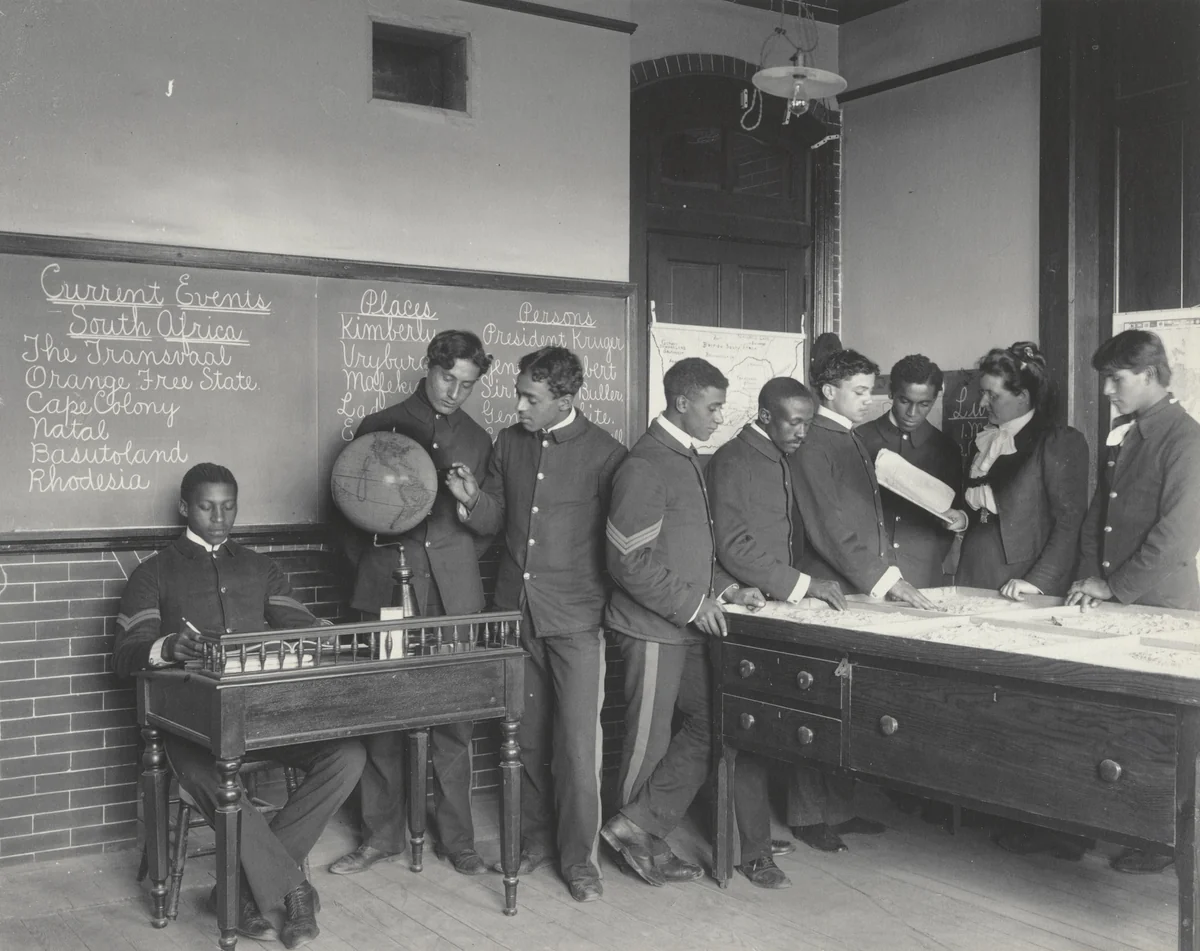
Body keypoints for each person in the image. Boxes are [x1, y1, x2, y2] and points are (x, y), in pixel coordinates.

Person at [113, 464, 365, 949]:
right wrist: (166, 647)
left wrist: (324, 636)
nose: (219, 516)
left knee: (347, 754)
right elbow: (125, 654)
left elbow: (297, 623)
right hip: (190, 729)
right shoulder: (155, 572)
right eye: (207, 506)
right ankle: (289, 890)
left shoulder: (258, 567)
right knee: (216, 778)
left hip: (262, 718)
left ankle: (239, 890)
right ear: (185, 507)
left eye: (228, 505)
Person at [446, 346, 626, 902]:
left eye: (531, 398)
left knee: (576, 748)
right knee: (522, 737)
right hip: (515, 615)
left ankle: (579, 861)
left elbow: (616, 547)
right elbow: (497, 519)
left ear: (565, 400)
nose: (519, 405)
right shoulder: (508, 442)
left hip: (575, 621)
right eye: (518, 393)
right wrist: (473, 500)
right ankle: (532, 839)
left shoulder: (607, 455)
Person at [330, 330, 494, 877]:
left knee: (455, 718)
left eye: (467, 385)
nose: (454, 392)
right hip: (388, 593)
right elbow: (347, 517)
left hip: (454, 597)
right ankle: (381, 837)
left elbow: (494, 525)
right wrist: (378, 575)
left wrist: (471, 504)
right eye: (448, 378)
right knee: (383, 711)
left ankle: (457, 839)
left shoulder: (478, 438)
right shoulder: (380, 426)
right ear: (428, 366)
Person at [599, 358, 766, 887]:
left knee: (714, 722)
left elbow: (687, 551)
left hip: (683, 626)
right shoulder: (647, 464)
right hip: (651, 629)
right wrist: (695, 605)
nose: (721, 416)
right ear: (681, 403)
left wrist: (727, 587)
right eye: (714, 407)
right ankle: (637, 844)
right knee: (645, 743)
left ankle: (636, 827)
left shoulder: (686, 456)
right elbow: (626, 560)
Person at [709, 376, 887, 872]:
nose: (803, 432)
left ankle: (756, 839)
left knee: (770, 728)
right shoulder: (734, 460)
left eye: (808, 422)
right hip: (748, 608)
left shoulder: (775, 455)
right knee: (748, 733)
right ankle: (751, 849)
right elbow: (735, 546)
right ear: (766, 415)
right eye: (795, 421)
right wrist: (803, 584)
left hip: (773, 605)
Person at [1068, 330, 1200, 874]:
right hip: (1115, 601)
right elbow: (1099, 515)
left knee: (1161, 734)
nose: (1107, 391)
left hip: (1162, 606)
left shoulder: (1185, 439)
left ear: (1149, 375)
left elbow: (1177, 537)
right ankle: (1116, 828)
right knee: (1112, 727)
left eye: (1116, 379)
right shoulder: (1127, 434)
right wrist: (1088, 579)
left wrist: (1115, 587)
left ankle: (1166, 844)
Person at [790, 349, 937, 612]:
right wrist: (887, 581)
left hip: (861, 585)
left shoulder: (850, 436)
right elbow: (828, 527)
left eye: (870, 391)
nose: (868, 400)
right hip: (831, 591)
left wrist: (891, 577)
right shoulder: (813, 442)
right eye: (859, 392)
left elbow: (873, 522)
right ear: (829, 391)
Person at [955, 341, 1089, 601]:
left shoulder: (1057, 441)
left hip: (1020, 579)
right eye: (982, 393)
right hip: (973, 569)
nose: (983, 402)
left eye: (992, 395)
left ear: (1023, 396)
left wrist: (1037, 581)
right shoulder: (985, 440)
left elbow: (1069, 524)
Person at [857, 355, 963, 588]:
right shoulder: (859, 440)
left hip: (923, 574)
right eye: (905, 401)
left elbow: (952, 517)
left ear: (935, 399)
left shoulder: (947, 449)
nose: (912, 412)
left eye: (924, 404)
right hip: (870, 572)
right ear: (891, 393)